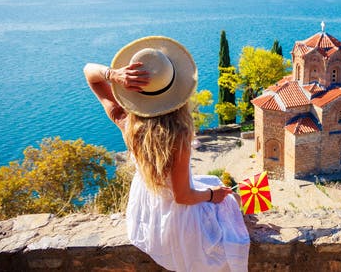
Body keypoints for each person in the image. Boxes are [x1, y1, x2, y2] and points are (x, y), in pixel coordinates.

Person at [84, 36, 250, 272]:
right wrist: (213, 196)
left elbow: (89, 72)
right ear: (177, 95)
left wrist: (113, 75)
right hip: (176, 219)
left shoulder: (125, 122)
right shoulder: (178, 136)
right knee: (228, 201)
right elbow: (183, 196)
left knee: (214, 183)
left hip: (146, 211)